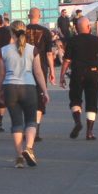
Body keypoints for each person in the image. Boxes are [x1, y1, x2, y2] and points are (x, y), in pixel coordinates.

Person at [0, 21, 48, 168]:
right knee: (31, 120)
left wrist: (0, 90)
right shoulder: (33, 50)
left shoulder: (4, 50)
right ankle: (29, 148)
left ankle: (19, 157)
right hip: (28, 86)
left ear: (11, 32)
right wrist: (45, 91)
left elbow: (1, 73)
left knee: (16, 123)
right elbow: (38, 72)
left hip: (10, 87)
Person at [60, 16, 98, 141]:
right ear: (89, 27)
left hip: (77, 73)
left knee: (75, 99)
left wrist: (62, 76)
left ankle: (77, 122)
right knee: (92, 102)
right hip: (93, 73)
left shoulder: (72, 41)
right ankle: (89, 132)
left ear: (77, 28)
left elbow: (67, 60)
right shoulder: (97, 40)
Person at [25, 7, 55, 137]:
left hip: (24, 68)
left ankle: (27, 126)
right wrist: (52, 71)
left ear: (28, 16)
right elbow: (49, 54)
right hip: (41, 68)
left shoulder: (22, 30)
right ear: (40, 16)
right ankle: (35, 129)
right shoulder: (46, 32)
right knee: (39, 98)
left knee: (26, 99)